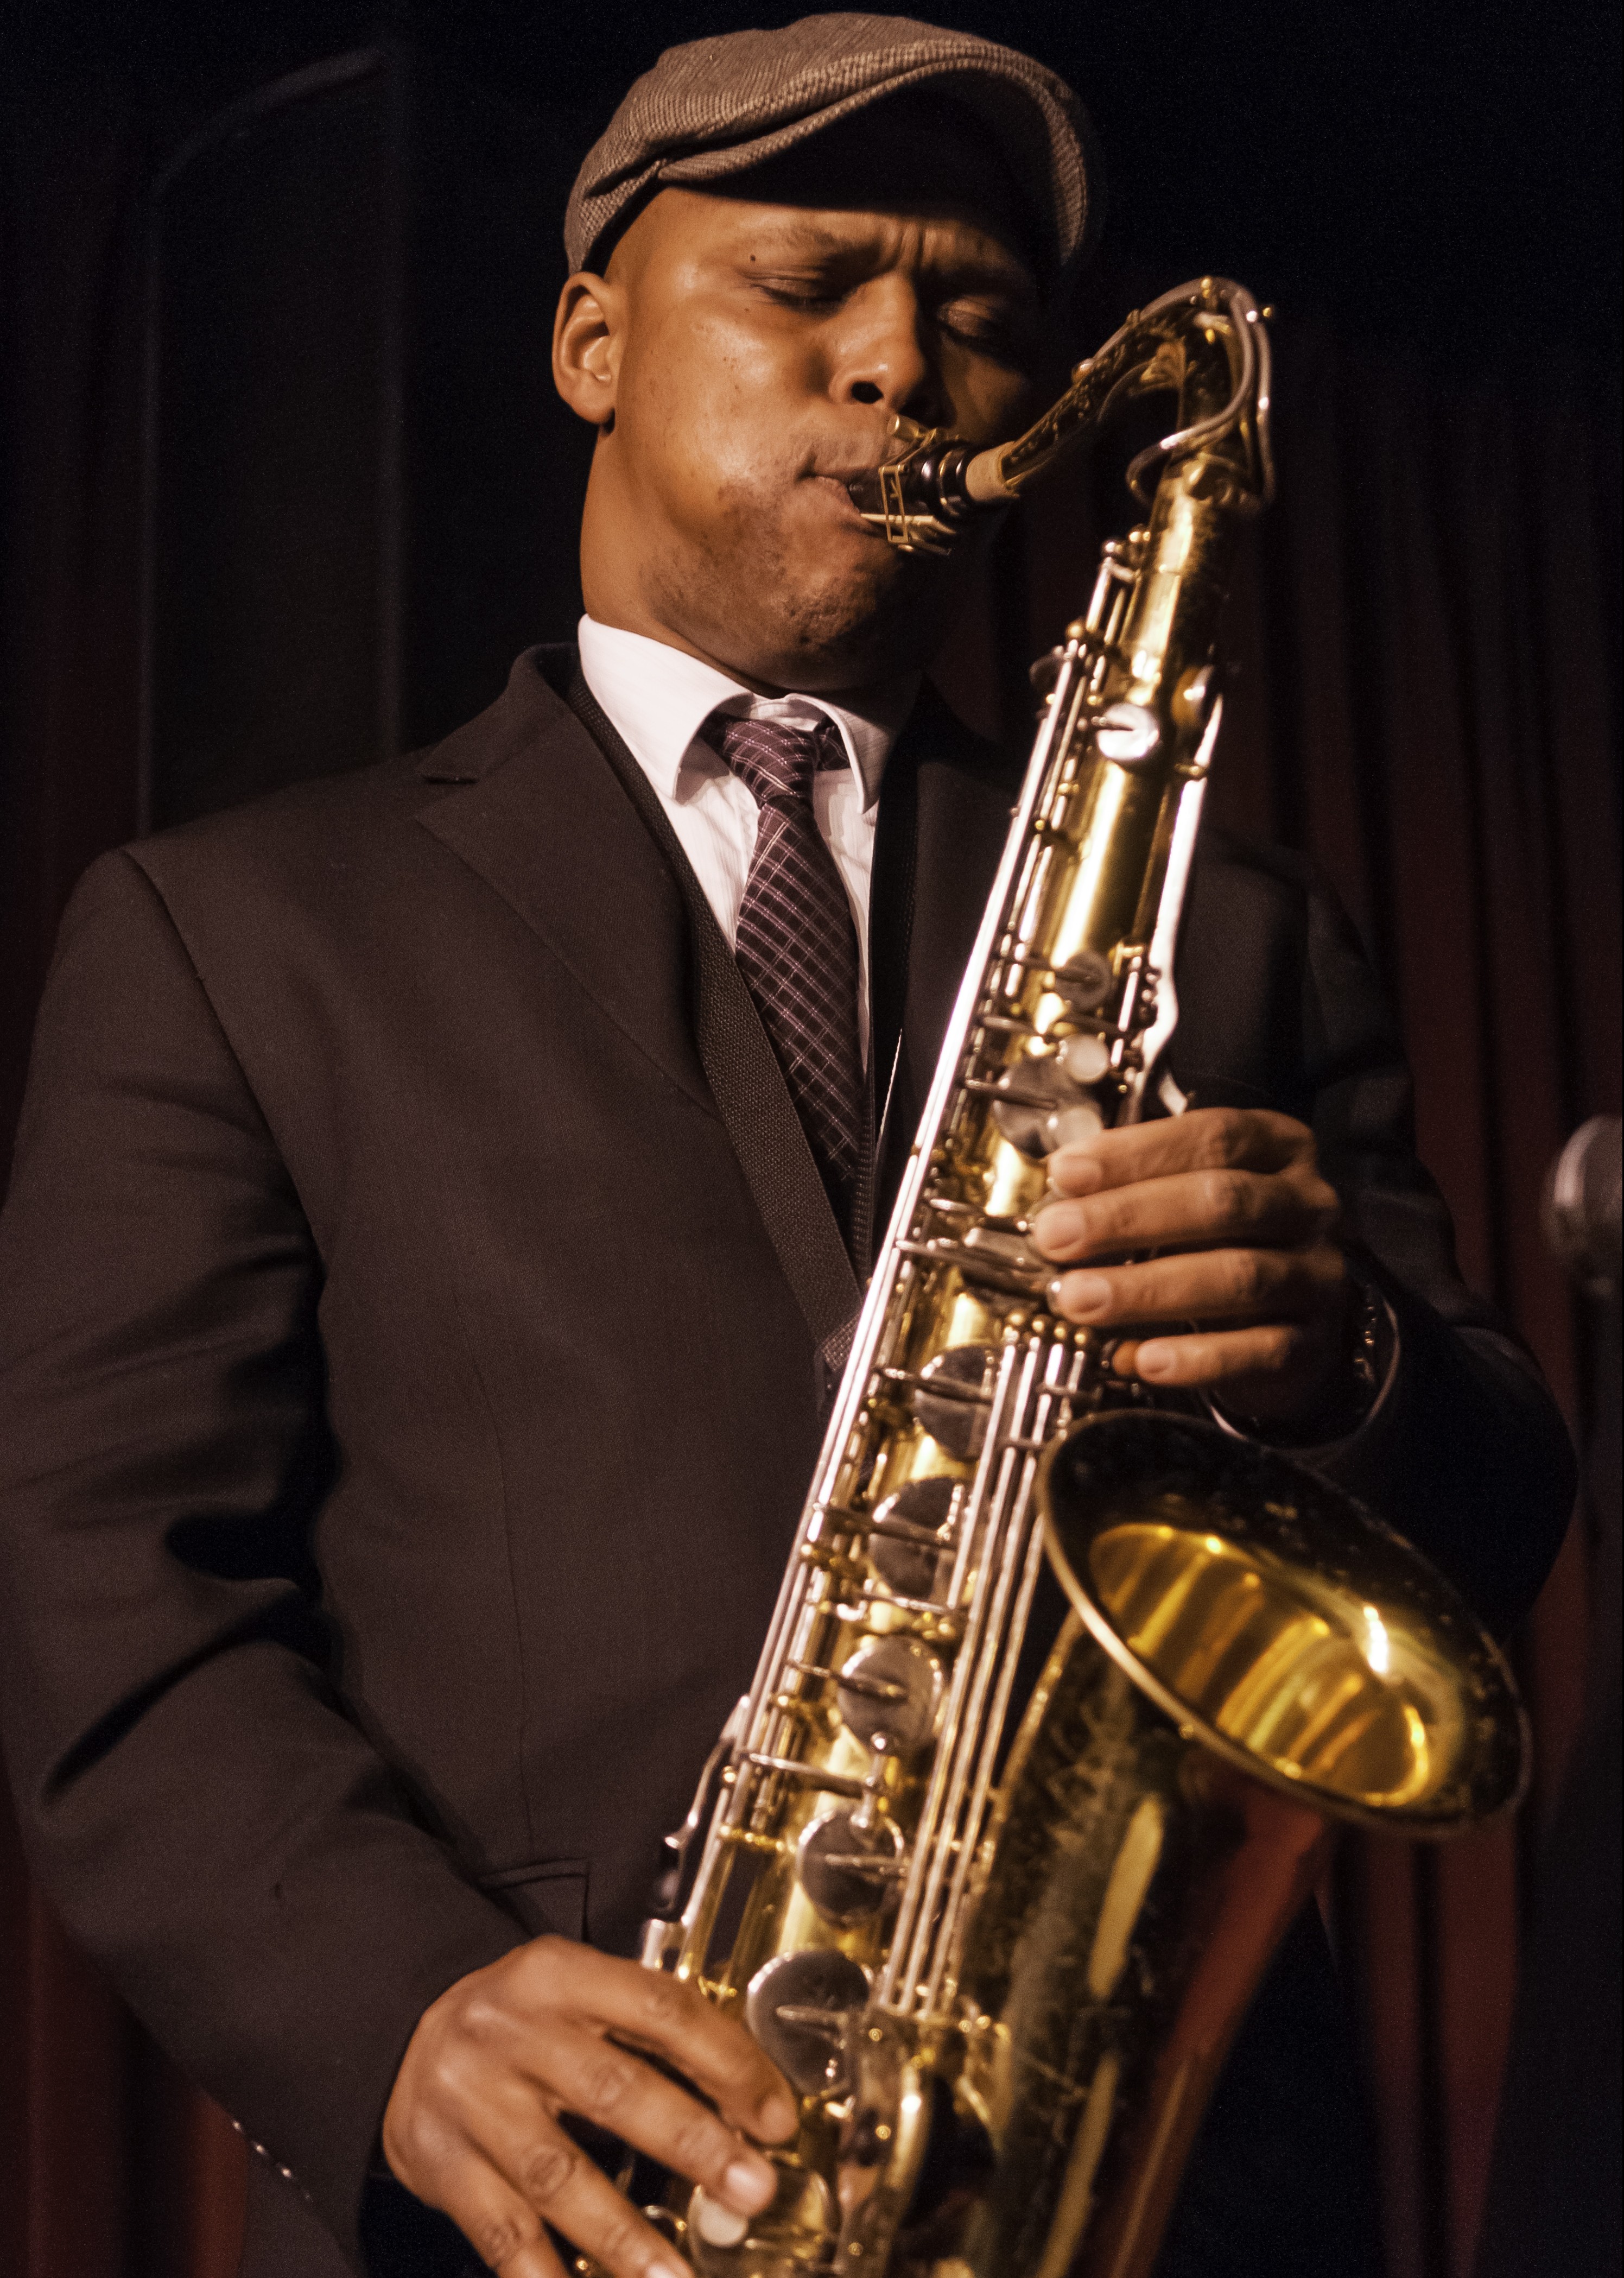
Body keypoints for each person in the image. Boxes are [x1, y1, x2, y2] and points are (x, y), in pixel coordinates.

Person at [0, 17, 1574, 2278]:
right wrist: (399, 2003)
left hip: (1168, 2199)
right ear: (589, 338)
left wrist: (1351, 1363)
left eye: (976, 318)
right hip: (564, 2199)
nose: (901, 367)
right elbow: (109, 1593)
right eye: (806, 283)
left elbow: (1494, 1516)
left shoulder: (1227, 924)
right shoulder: (234, 930)